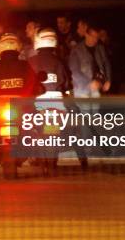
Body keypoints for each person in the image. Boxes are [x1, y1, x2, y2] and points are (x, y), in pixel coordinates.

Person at [28, 28, 87, 169]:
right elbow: (66, 83)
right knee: (73, 125)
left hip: (36, 102)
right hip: (56, 102)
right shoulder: (59, 61)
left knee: (30, 129)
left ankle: (37, 156)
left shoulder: (30, 61)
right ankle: (82, 158)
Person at [0, 33, 44, 97]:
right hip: (22, 106)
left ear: (0, 47)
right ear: (18, 47)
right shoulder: (25, 65)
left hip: (0, 106)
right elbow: (34, 82)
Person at [69, 25, 112, 98]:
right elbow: (74, 71)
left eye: (97, 37)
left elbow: (106, 64)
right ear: (86, 34)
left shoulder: (100, 48)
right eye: (93, 37)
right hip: (82, 89)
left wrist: (108, 80)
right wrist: (89, 82)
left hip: (98, 88)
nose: (95, 40)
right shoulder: (76, 50)